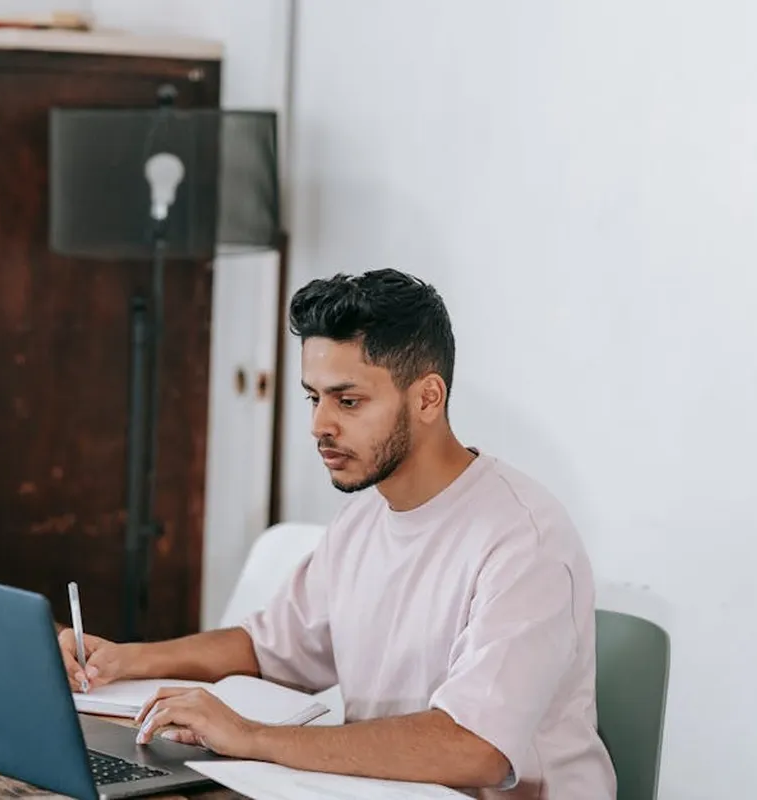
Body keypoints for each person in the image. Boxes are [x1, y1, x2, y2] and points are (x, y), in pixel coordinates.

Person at [59, 268, 616, 798]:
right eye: (314, 397)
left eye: (348, 401)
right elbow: (268, 648)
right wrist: (126, 660)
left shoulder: (524, 539)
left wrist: (253, 738)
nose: (319, 426)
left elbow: (477, 747)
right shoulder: (363, 521)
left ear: (427, 398)